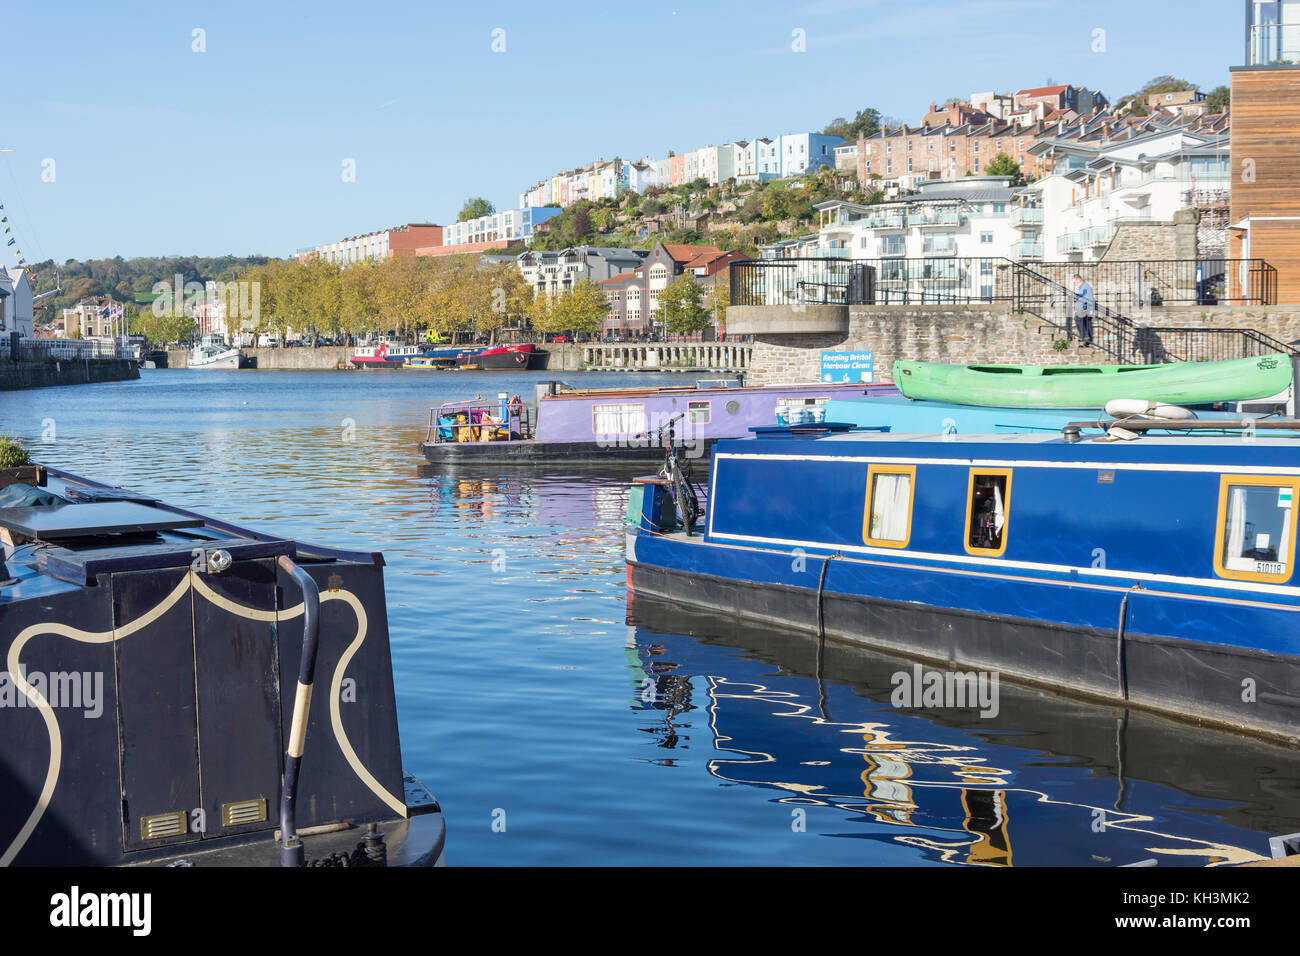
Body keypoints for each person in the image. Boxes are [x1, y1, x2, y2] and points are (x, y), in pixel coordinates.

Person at [1071, 274, 1095, 346]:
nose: (1074, 284)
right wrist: (1075, 310)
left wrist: (1091, 309)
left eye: (1074, 282)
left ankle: (1085, 336)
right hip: (1082, 307)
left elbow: (1090, 298)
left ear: (1078, 279)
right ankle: (1086, 336)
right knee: (1084, 322)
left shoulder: (1086, 287)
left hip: (1085, 306)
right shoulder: (1080, 288)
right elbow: (1079, 300)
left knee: (1079, 319)